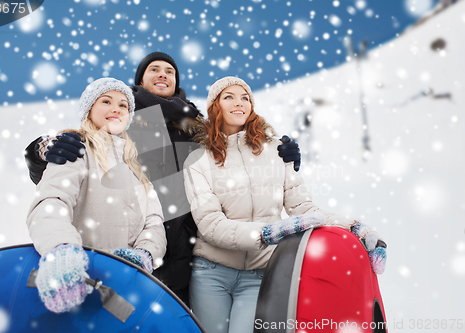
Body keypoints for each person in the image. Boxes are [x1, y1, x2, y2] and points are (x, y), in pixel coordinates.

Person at [23, 52, 302, 306]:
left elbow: (235, 153)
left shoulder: (198, 126)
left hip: (189, 247)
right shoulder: (124, 119)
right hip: (132, 245)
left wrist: (279, 151)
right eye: (154, 69)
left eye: (169, 71)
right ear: (139, 81)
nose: (162, 74)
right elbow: (67, 171)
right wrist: (40, 150)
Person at [183, 77, 387, 333]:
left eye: (245, 97)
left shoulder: (276, 151)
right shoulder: (197, 160)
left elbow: (303, 208)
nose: (239, 103)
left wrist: (355, 227)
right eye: (229, 97)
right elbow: (210, 224)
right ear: (215, 107)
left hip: (260, 274)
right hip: (210, 274)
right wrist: (266, 233)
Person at [26, 78, 167, 313]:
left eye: (124, 105)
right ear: (89, 110)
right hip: (77, 278)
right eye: (106, 101)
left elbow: (154, 221)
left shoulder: (136, 167)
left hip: (123, 289)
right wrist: (60, 249)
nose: (116, 109)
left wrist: (144, 254)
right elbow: (51, 201)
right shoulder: (75, 150)